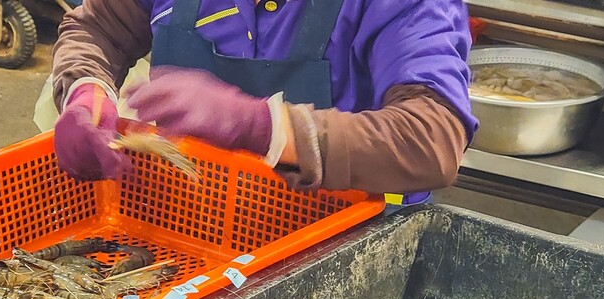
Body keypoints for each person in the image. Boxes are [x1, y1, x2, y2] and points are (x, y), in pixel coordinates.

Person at [50, 0, 478, 206]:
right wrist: (85, 89)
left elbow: (432, 138)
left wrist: (264, 126)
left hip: (339, 254)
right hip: (189, 230)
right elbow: (99, 27)